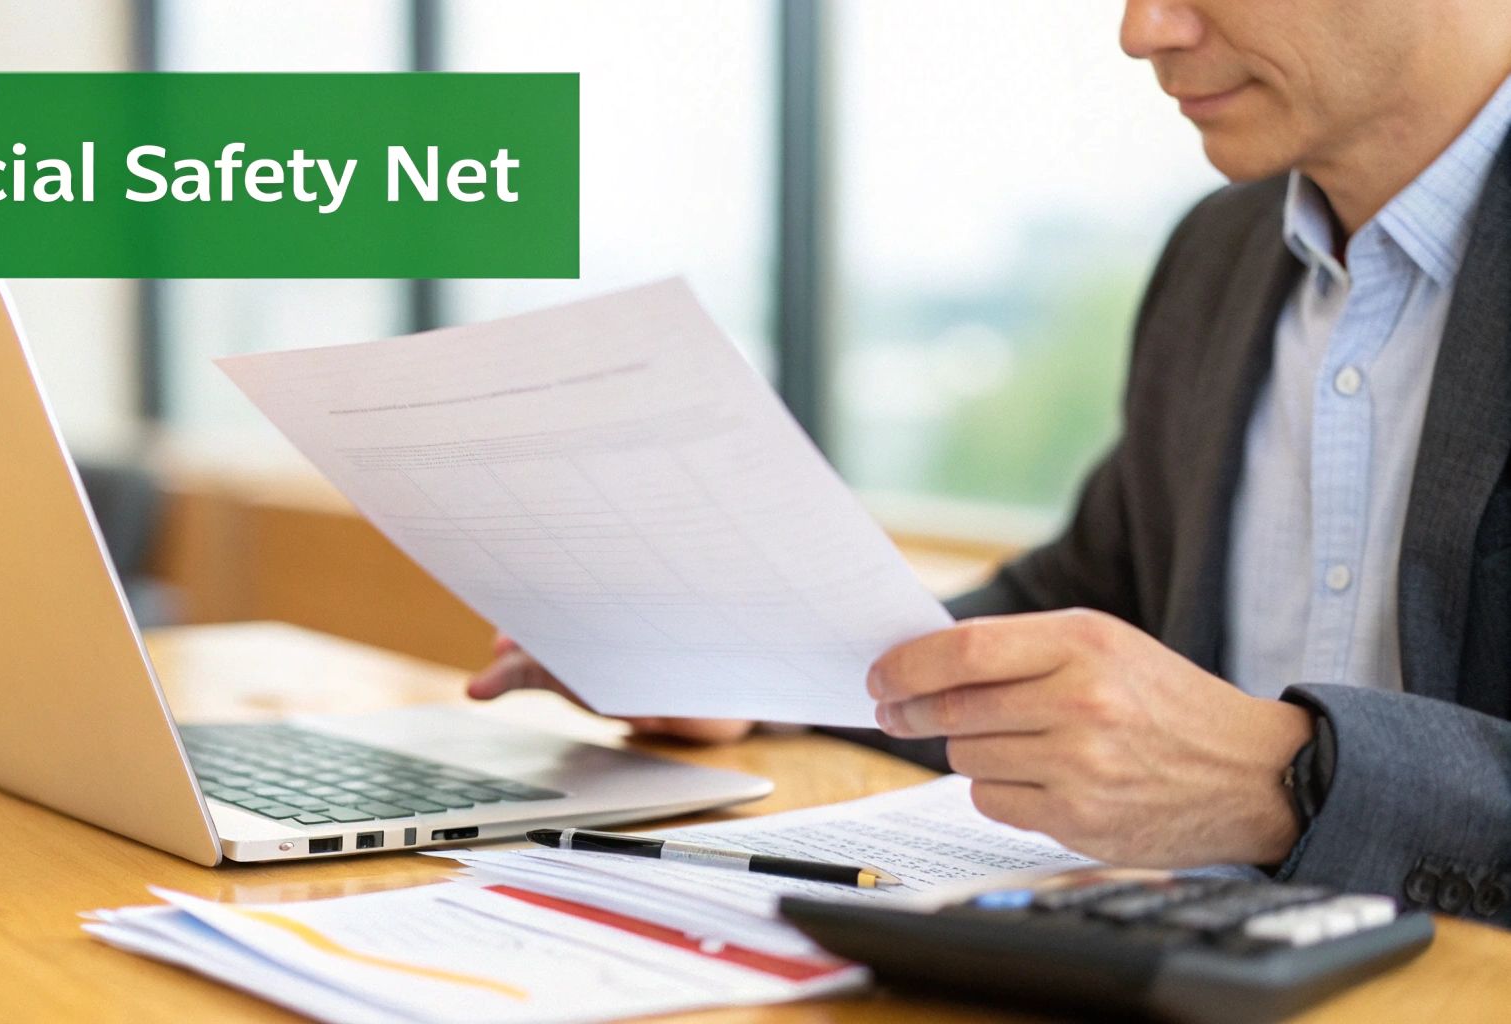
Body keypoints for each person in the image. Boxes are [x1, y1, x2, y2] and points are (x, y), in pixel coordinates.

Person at [468, 0, 1511, 926]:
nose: (1140, 30)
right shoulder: (1219, 256)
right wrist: (742, 667)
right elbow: (1071, 604)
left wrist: (1287, 781)